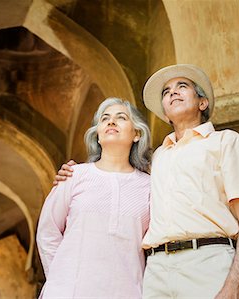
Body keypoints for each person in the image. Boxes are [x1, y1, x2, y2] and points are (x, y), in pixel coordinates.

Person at [55, 64, 239, 299]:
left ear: (202, 103)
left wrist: (235, 283)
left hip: (207, 261)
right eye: (166, 92)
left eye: (182, 86)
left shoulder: (226, 142)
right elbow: (117, 177)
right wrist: (75, 175)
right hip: (155, 272)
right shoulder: (156, 159)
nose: (173, 92)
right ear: (165, 113)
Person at [36, 97, 152, 298]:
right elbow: (48, 231)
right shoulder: (74, 175)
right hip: (69, 291)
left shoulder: (149, 186)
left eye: (121, 117)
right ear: (97, 135)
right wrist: (59, 279)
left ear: (137, 134)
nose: (111, 122)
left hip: (127, 292)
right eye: (105, 118)